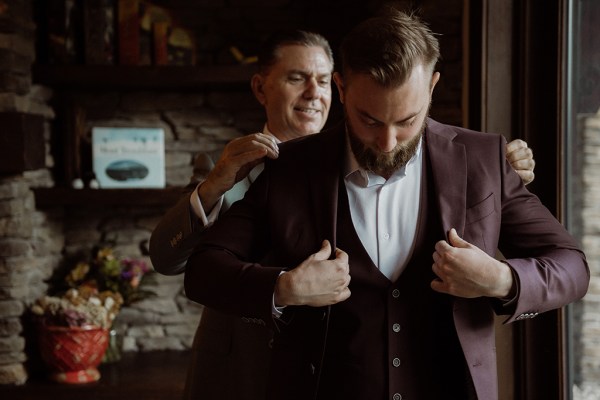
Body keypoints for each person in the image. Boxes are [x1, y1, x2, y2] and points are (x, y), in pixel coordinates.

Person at [182, 10, 589, 400]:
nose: (389, 142)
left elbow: (572, 265)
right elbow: (203, 269)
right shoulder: (290, 168)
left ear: (431, 87)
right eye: (371, 120)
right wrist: (283, 287)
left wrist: (502, 280)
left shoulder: (484, 160)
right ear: (340, 89)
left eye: (407, 121)